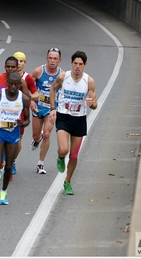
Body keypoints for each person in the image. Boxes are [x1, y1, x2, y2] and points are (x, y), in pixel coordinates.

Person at [49, 51, 97, 195]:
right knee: (64, 149)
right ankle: (60, 157)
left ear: (85, 65)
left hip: (79, 119)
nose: (77, 67)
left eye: (80, 64)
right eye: (75, 63)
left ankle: (67, 181)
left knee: (74, 155)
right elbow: (52, 88)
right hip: (64, 116)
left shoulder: (89, 81)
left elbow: (95, 104)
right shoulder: (64, 77)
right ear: (71, 63)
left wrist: (91, 103)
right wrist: (53, 108)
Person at [0, 72, 31, 205]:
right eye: (10, 83)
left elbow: (28, 119)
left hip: (13, 134)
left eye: (16, 84)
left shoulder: (24, 99)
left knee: (8, 166)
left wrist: (22, 123)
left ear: (19, 85)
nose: (12, 86)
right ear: (6, 82)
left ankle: (3, 193)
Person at [0, 55, 37, 181]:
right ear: (5, 67)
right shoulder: (0, 78)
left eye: (13, 67)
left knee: (15, 143)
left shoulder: (20, 81)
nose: (10, 69)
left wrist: (23, 112)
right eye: (8, 67)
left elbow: (26, 97)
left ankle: (10, 162)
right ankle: (1, 164)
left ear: (17, 68)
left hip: (17, 117)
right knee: (0, 144)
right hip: (2, 116)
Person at [31, 47, 64, 174]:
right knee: (36, 135)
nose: (52, 61)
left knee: (47, 134)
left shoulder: (62, 75)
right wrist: (32, 100)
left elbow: (64, 92)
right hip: (38, 107)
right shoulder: (39, 71)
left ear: (59, 60)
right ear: (46, 58)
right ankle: (36, 139)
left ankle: (40, 164)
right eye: (50, 58)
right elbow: (29, 85)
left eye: (55, 58)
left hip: (51, 109)